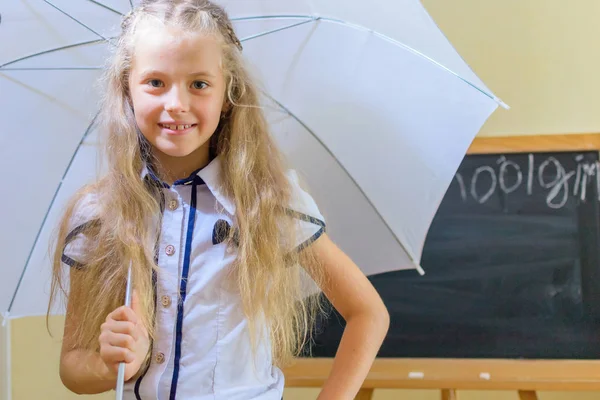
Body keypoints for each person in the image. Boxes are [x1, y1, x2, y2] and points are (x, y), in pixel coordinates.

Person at [50, 1, 389, 399]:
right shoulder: (101, 213)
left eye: (199, 84)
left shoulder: (268, 203)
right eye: (155, 82)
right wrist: (108, 365)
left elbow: (368, 313)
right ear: (126, 88)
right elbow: (73, 367)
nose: (176, 103)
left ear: (228, 94)